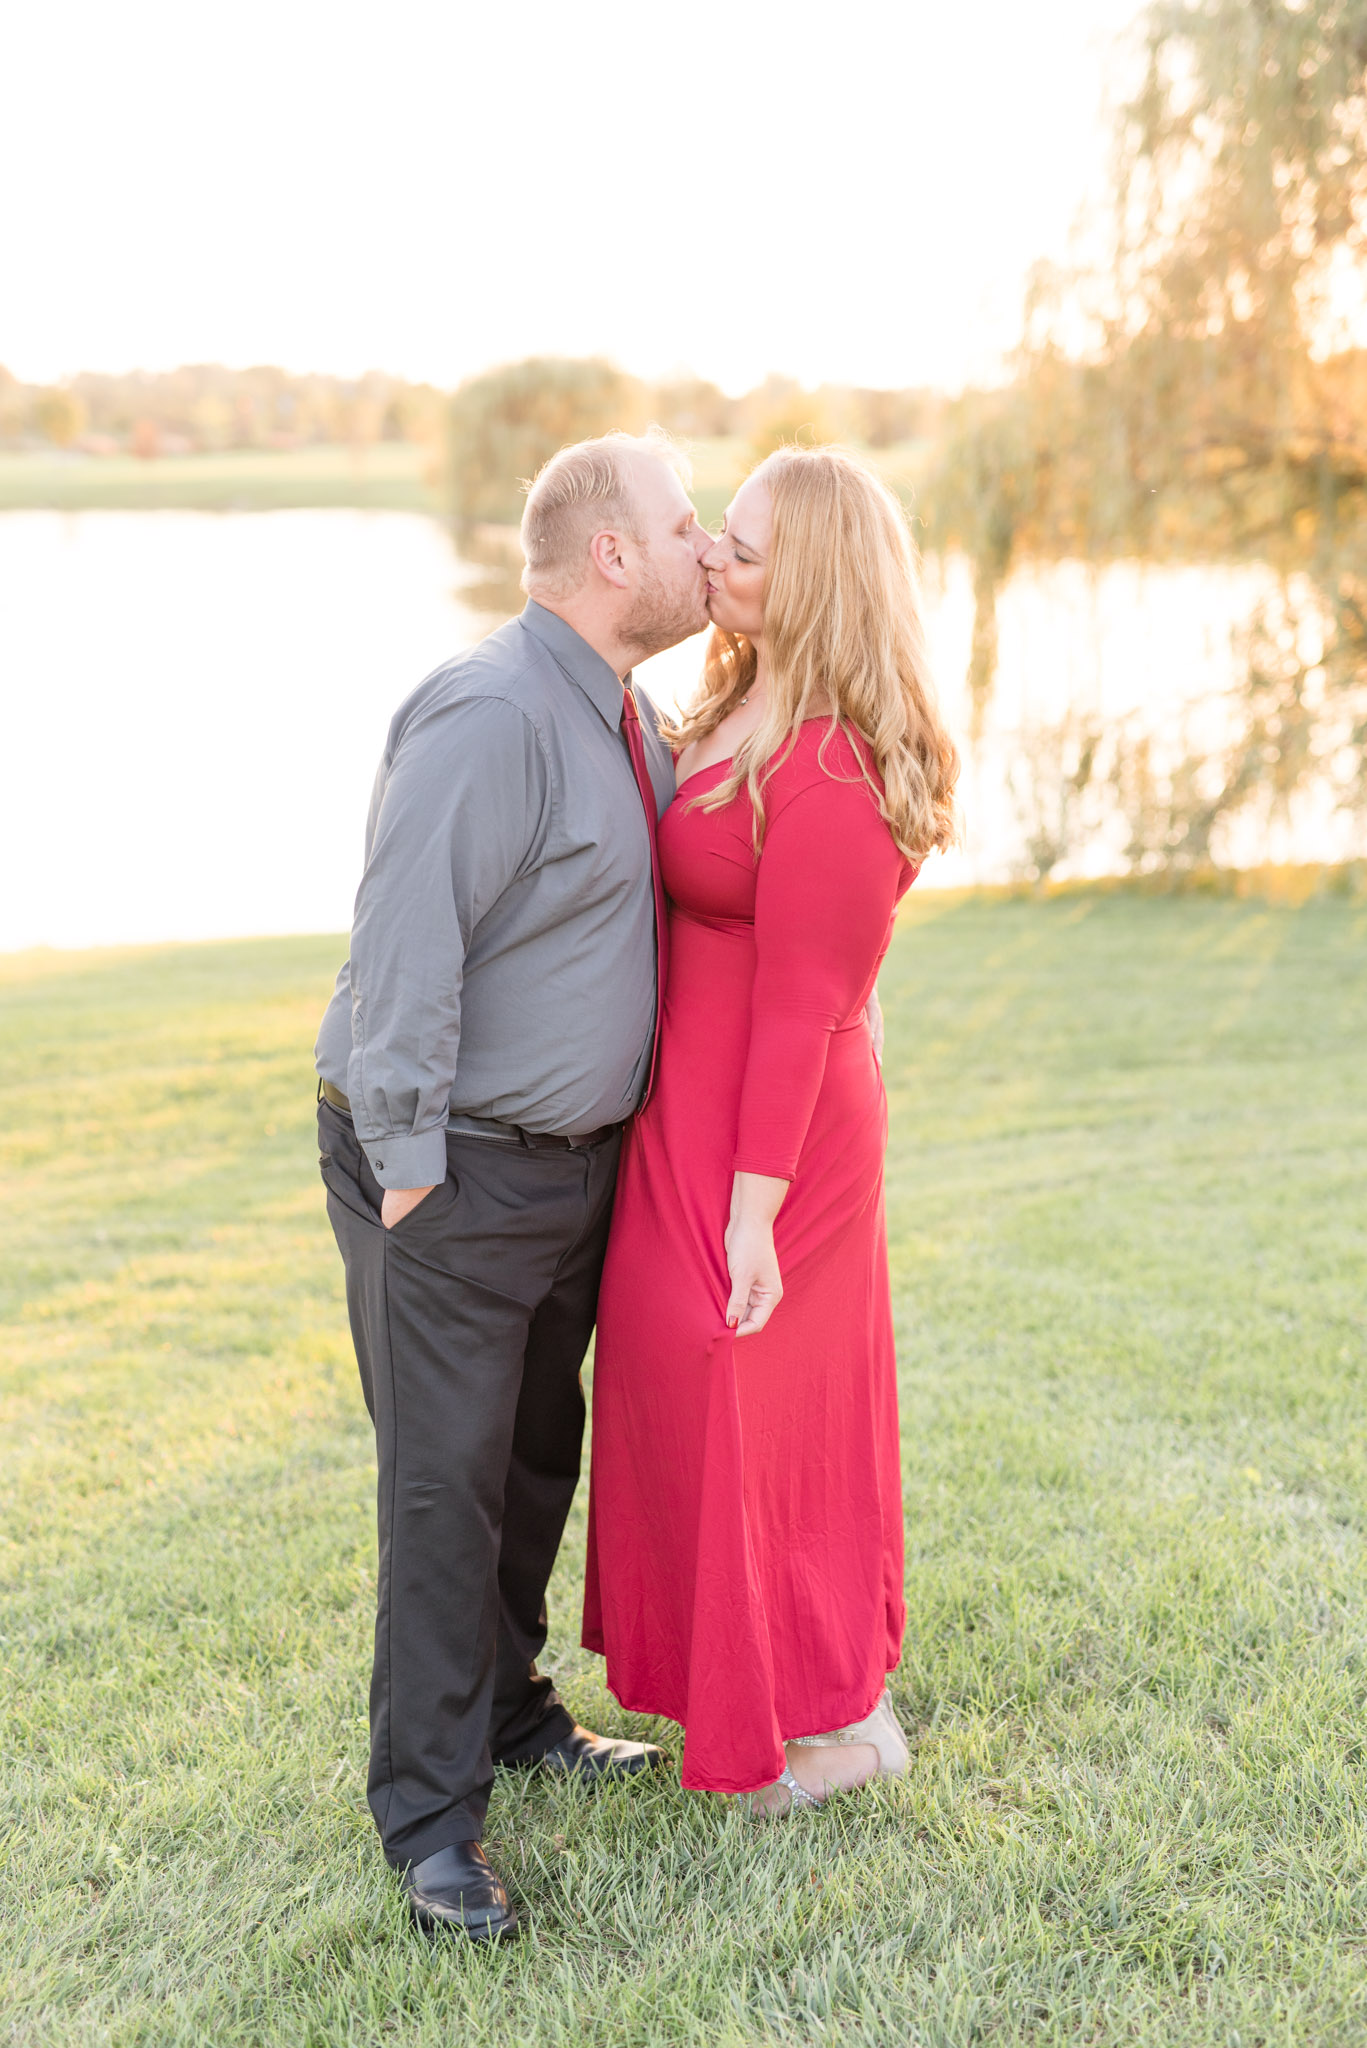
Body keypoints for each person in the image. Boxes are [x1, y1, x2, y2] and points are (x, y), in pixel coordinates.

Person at [314, 430, 712, 1940]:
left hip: (568, 1180)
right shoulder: (490, 714)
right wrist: (413, 1176)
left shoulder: (623, 712)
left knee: (538, 1452)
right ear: (613, 554)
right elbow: (403, 941)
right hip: (454, 1176)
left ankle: (511, 1709)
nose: (704, 547)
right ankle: (429, 1819)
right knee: (446, 1482)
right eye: (685, 526)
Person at [583, 444, 960, 1813]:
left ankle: (841, 1721)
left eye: (739, 548)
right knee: (686, 1390)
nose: (715, 564)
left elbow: (805, 1005)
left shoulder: (840, 766)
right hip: (688, 1111)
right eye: (715, 539)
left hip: (779, 1137)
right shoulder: (733, 701)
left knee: (757, 1396)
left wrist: (754, 1210)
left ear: (812, 577)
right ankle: (734, 1693)